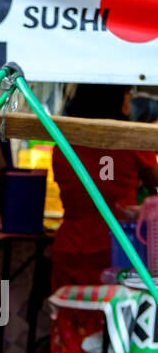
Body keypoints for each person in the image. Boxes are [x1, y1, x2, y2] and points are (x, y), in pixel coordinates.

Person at [51, 84, 158, 291]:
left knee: (70, 315)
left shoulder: (62, 147)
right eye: (127, 94)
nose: (130, 100)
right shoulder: (130, 142)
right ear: (114, 99)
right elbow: (154, 178)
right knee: (115, 317)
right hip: (118, 247)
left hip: (70, 248)